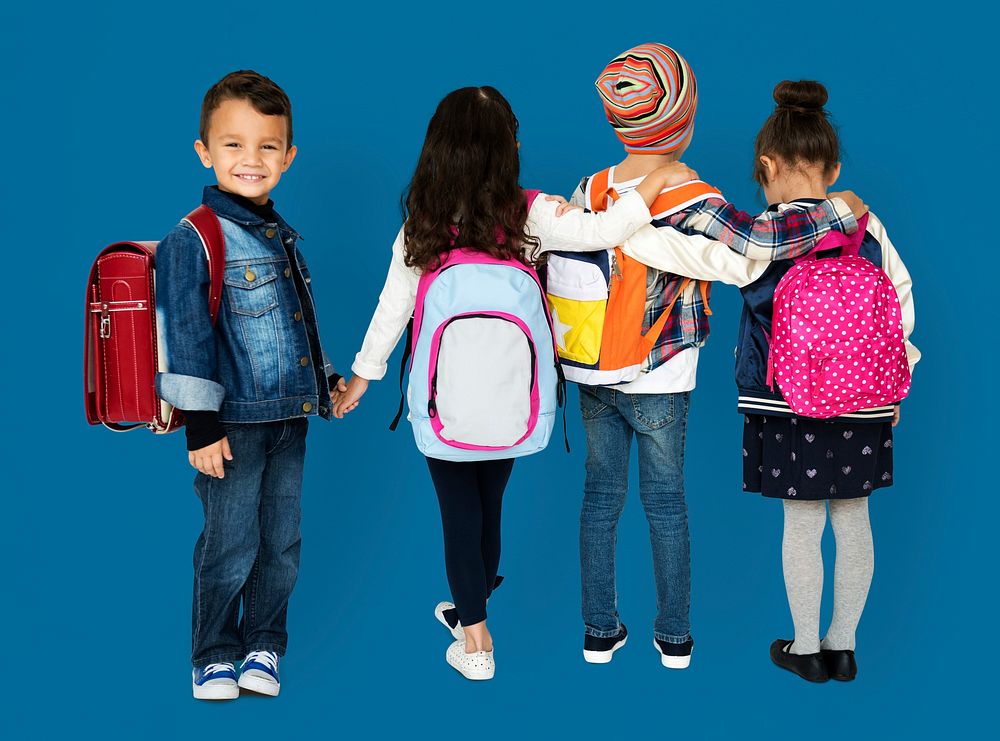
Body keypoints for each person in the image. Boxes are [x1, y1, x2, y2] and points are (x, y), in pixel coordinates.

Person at [330, 85, 698, 681]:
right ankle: (470, 613)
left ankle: (474, 638)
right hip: (513, 403)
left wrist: (362, 379)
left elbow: (392, 308)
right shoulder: (530, 212)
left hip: (440, 400)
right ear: (505, 150)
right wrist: (654, 180)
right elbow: (606, 231)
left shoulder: (420, 227)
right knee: (488, 506)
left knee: (457, 510)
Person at [566, 43, 867, 670]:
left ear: (618, 119)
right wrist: (836, 211)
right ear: (685, 118)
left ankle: (599, 633)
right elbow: (755, 250)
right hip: (659, 370)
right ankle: (673, 639)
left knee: (599, 501)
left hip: (592, 370)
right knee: (666, 503)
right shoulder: (692, 193)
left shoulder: (589, 189)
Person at [618, 79, 918, 682]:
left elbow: (690, 258)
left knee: (802, 524)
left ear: (765, 167)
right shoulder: (862, 224)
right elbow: (901, 300)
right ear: (833, 168)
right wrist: (897, 377)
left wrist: (625, 227)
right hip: (865, 397)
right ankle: (843, 645)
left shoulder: (764, 238)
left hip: (786, 401)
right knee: (854, 518)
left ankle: (805, 648)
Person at [155, 70, 345, 700]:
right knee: (228, 544)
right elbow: (188, 335)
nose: (251, 159)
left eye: (267, 146)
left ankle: (264, 645)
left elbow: (292, 326)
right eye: (232, 145)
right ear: (204, 153)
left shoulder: (279, 234)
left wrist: (323, 382)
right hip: (230, 426)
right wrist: (200, 428)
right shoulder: (196, 238)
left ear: (288, 157)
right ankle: (213, 652)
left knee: (280, 543)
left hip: (287, 418)